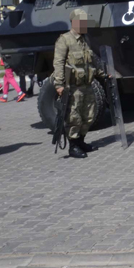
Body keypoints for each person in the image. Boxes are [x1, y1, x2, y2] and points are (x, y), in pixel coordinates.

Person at [53, 9, 105, 158]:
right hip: (73, 87)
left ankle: (81, 141)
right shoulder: (65, 39)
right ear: (74, 22)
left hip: (87, 85)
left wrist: (103, 74)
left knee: (89, 115)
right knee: (74, 117)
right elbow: (58, 63)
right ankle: (73, 146)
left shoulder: (84, 40)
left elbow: (91, 62)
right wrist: (59, 84)